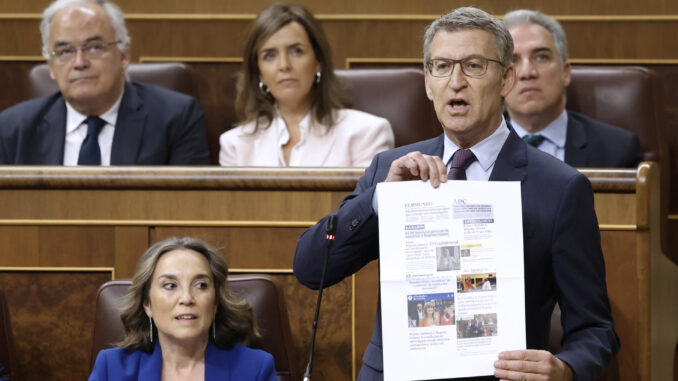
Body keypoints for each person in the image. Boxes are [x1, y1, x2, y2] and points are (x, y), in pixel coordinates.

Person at [294, 7, 619, 380]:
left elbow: (596, 329)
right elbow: (310, 268)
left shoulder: (560, 188)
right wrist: (380, 201)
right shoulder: (391, 169)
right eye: (442, 66)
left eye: (474, 65)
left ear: (506, 78)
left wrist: (565, 368)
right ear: (428, 83)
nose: (456, 81)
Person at [0, 0, 210, 165]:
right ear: (51, 66)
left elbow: (186, 213)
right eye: (65, 51)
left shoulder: (175, 119)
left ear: (124, 55)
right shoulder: (12, 129)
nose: (79, 63)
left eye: (94, 47)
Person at [219, 3, 394, 167]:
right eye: (269, 55)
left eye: (297, 51)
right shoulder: (235, 145)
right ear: (258, 73)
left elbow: (364, 200)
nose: (284, 65)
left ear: (318, 61)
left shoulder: (366, 133)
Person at [89, 237, 276, 380]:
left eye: (201, 285)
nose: (186, 298)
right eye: (170, 285)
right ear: (147, 304)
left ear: (215, 302)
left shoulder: (254, 368)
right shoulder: (112, 368)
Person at [503, 9, 642, 168]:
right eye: (513, 60)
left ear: (565, 72)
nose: (527, 72)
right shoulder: (474, 145)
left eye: (541, 57)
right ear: (501, 79)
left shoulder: (618, 149)